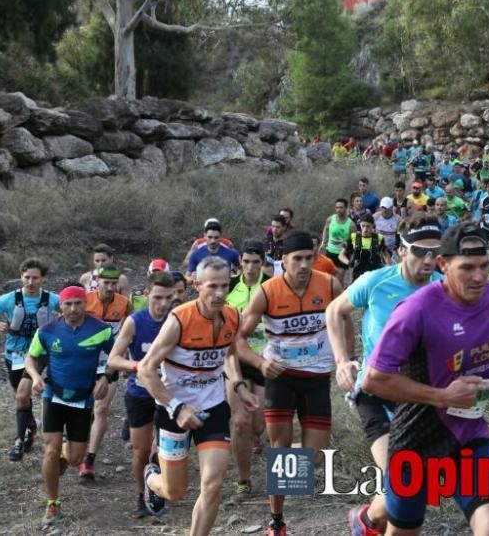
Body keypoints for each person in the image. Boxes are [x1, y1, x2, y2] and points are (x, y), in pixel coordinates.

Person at [363, 223, 489, 536]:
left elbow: (483, 356)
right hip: (415, 441)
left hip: (468, 433)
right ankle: (365, 521)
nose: (478, 277)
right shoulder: (416, 310)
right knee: (400, 527)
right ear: (443, 264)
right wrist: (443, 397)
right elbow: (374, 381)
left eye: (485, 266)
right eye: (467, 268)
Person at [326, 214, 444, 536]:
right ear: (402, 251)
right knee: (402, 477)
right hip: (374, 390)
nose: (429, 260)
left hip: (417, 397)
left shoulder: (443, 288)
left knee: (411, 481)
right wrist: (342, 361)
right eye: (420, 251)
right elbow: (334, 311)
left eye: (436, 252)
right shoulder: (375, 281)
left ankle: (364, 520)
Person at [140, 256, 259, 536]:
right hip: (173, 411)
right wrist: (178, 407)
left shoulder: (232, 315)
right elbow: (146, 370)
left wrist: (239, 386)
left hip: (213, 406)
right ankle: (151, 479)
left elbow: (228, 354)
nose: (219, 293)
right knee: (175, 490)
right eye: (212, 287)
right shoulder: (179, 320)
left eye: (225, 286)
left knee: (213, 484)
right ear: (196, 285)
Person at [238, 230, 344, 536]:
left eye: (308, 258)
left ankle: (280, 465)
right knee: (280, 446)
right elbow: (239, 341)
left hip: (316, 378)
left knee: (312, 460)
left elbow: (344, 321)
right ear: (283, 260)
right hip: (280, 377)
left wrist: (344, 359)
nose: (303, 265)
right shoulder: (267, 292)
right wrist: (260, 362)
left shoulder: (329, 285)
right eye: (296, 259)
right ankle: (277, 519)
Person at [25, 285, 114, 526]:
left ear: (86, 304)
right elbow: (30, 358)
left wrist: (105, 378)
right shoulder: (47, 331)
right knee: (50, 450)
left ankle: (63, 456)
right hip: (53, 395)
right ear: (60, 306)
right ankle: (53, 503)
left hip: (83, 398)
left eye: (78, 303)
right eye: (68, 304)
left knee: (75, 459)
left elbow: (115, 358)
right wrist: (34, 377)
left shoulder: (101, 330)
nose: (73, 309)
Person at [106, 270, 176, 517]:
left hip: (171, 395)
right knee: (141, 450)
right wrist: (137, 366)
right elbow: (113, 359)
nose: (163, 304)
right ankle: (142, 494)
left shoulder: (178, 320)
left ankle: (160, 485)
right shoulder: (135, 321)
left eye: (169, 298)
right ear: (147, 294)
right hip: (140, 392)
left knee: (166, 451)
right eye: (157, 297)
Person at [0, 258, 60, 461]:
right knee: (21, 397)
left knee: (23, 394)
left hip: (39, 353)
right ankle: (31, 427)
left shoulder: (53, 299)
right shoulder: (8, 299)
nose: (31, 282)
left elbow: (75, 310)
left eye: (35, 278)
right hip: (14, 353)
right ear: (21, 276)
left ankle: (19, 440)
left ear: (42, 279)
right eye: (27, 277)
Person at [224, 241, 270, 497]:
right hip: (234, 359)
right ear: (240, 261)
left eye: (256, 262)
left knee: (259, 424)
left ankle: (256, 436)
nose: (251, 267)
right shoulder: (230, 286)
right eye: (246, 261)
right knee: (239, 422)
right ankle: (243, 480)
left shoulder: (272, 285)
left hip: (263, 359)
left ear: (263, 262)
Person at [81, 265, 132, 481]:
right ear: (97, 281)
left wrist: (127, 360)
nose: (111, 288)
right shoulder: (85, 300)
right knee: (83, 411)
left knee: (102, 409)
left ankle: (89, 461)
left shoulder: (124, 304)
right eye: (106, 283)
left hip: (109, 362)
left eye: (114, 284)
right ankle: (75, 447)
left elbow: (129, 333)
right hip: (83, 362)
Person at [341, 212, 388, 281]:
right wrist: (349, 263)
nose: (365, 229)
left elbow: (386, 256)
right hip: (357, 275)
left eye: (368, 226)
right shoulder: (353, 237)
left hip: (375, 275)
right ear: (360, 225)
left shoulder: (379, 238)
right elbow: (341, 255)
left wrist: (389, 270)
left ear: (372, 225)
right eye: (363, 226)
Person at [321, 198, 357, 282]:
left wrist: (354, 254)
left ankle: (339, 294)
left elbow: (354, 240)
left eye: (341, 207)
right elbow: (326, 229)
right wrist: (324, 242)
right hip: (330, 252)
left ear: (346, 208)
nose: (338, 210)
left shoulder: (351, 225)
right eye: (337, 207)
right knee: (328, 277)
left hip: (343, 254)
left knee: (339, 278)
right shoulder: (330, 219)